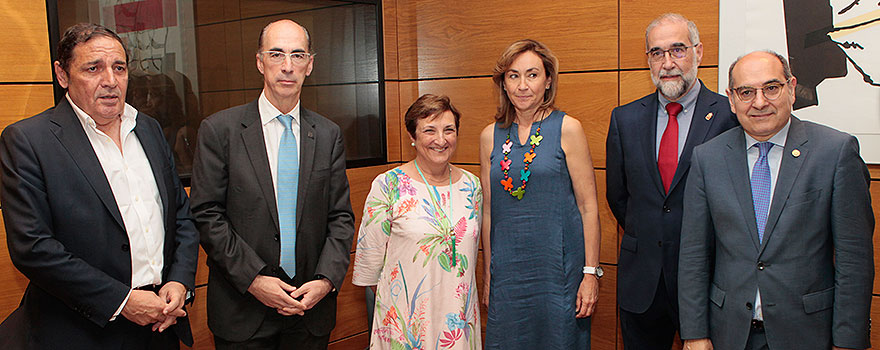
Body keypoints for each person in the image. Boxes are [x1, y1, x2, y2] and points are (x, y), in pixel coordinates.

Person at [0, 23, 198, 349]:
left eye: (119, 68)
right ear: (62, 75)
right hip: (81, 331)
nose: (110, 80)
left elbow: (181, 216)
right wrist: (122, 300)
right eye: (93, 68)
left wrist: (179, 281)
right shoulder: (28, 141)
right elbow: (33, 248)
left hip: (161, 325)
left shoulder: (147, 129)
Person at [678, 50, 874, 350]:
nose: (759, 102)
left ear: (792, 89)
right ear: (731, 99)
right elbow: (693, 254)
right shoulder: (708, 158)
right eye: (746, 92)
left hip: (808, 334)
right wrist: (694, 333)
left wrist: (847, 341)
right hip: (728, 333)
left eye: (771, 88)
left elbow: (854, 260)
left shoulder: (835, 153)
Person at [190, 19, 355, 349]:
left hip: (310, 311)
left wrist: (325, 280)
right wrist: (253, 280)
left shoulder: (328, 135)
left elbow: (341, 218)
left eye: (297, 55)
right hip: (243, 309)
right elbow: (207, 214)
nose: (287, 66)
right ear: (259, 62)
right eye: (277, 54)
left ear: (310, 64)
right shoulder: (219, 131)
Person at [605, 13, 739, 349]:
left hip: (710, 282)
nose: (667, 63)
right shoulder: (625, 118)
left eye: (678, 50)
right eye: (656, 53)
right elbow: (619, 197)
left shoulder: (730, 116)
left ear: (699, 52)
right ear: (648, 59)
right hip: (642, 283)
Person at [479, 39, 601, 349]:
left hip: (558, 273)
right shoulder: (489, 136)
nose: (523, 85)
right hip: (507, 274)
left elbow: (589, 208)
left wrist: (590, 274)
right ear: (503, 84)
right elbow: (489, 211)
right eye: (513, 75)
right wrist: (489, 274)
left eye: (532, 75)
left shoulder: (567, 128)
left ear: (548, 81)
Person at [353, 94, 482, 349]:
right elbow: (369, 271)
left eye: (449, 130)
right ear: (412, 136)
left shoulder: (472, 186)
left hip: (458, 322)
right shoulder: (388, 186)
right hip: (406, 326)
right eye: (429, 131)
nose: (441, 140)